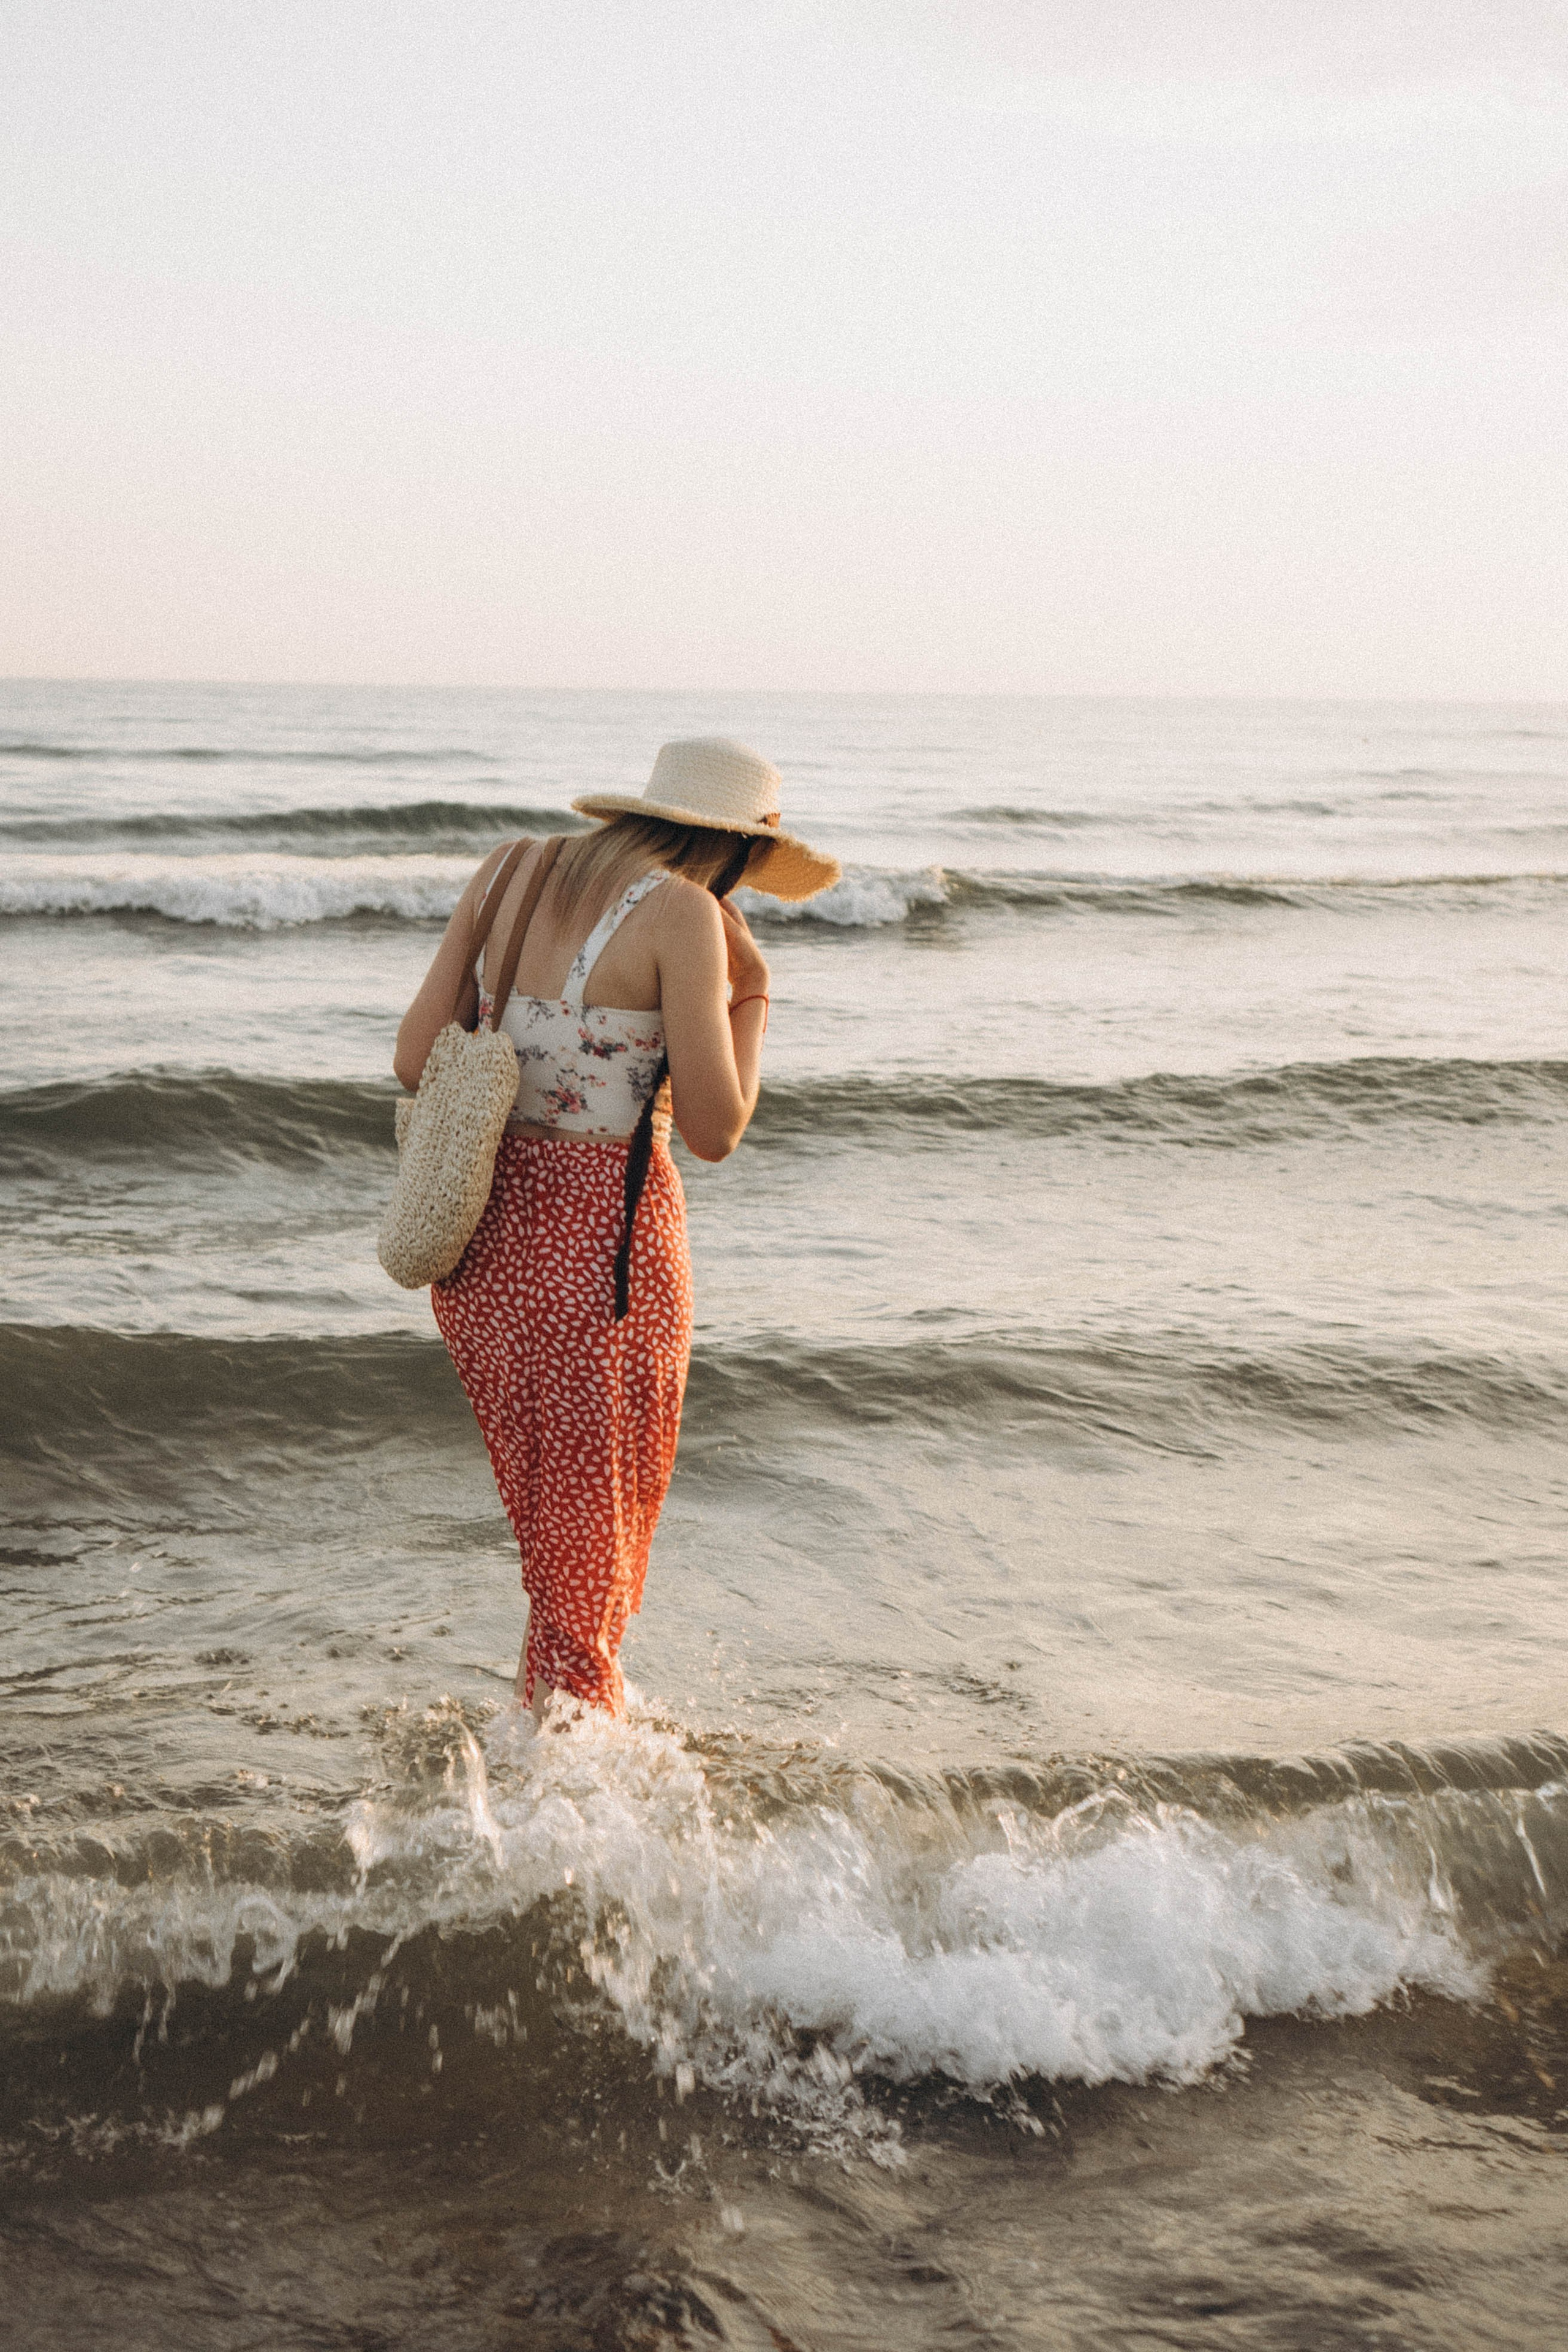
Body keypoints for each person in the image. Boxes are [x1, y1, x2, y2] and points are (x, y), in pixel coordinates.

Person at [393, 738, 840, 1724]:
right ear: (733, 853)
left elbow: (415, 1055)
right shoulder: (686, 915)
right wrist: (752, 994)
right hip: (606, 1255)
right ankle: (585, 1807)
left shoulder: (509, 867)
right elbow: (719, 1130)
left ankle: (531, 1757)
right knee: (595, 1550)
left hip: (483, 1248)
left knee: (556, 1543)